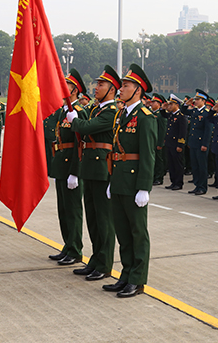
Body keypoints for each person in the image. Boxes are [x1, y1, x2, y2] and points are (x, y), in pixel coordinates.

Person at [73, 63, 156, 298]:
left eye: (126, 86)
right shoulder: (122, 115)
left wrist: (144, 188)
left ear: (138, 90)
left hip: (133, 183)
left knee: (137, 232)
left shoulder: (146, 117)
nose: (121, 89)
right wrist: (111, 181)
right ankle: (126, 275)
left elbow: (148, 155)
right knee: (122, 232)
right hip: (118, 179)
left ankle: (137, 280)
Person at [69, 65, 121, 281]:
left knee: (104, 221)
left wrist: (74, 120)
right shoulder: (96, 109)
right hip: (90, 168)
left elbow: (87, 128)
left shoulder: (111, 112)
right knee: (92, 218)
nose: (96, 87)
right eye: (97, 83)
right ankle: (95, 260)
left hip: (102, 170)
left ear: (112, 90)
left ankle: (105, 264)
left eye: (101, 84)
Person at [49, 69, 87, 266]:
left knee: (73, 211)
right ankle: (67, 246)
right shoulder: (62, 112)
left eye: (66, 86)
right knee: (63, 209)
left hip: (71, 168)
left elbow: (79, 146)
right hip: (61, 167)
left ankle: (75, 249)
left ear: (74, 91)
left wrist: (75, 172)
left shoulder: (77, 113)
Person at [182, 89, 213, 195]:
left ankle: (202, 187)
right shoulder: (195, 111)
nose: (195, 101)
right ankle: (197, 185)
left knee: (202, 166)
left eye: (198, 99)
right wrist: (187, 103)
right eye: (195, 99)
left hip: (201, 144)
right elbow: (184, 111)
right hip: (193, 143)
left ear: (204, 101)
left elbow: (208, 131)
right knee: (195, 166)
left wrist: (205, 144)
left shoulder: (207, 114)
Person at [162, 94, 188, 191]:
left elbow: (183, 132)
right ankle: (173, 182)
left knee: (178, 164)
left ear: (176, 105)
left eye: (170, 104)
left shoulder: (181, 117)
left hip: (176, 144)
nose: (169, 106)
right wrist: (162, 108)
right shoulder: (171, 115)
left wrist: (180, 144)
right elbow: (163, 114)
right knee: (171, 164)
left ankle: (178, 183)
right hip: (169, 143)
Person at [150, 93, 168, 186]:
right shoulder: (152, 113)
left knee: (159, 161)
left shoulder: (161, 115)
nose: (152, 104)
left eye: (154, 102)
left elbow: (162, 129)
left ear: (159, 104)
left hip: (158, 141)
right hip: (152, 141)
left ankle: (159, 178)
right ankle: (153, 176)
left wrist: (160, 143)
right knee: (153, 160)